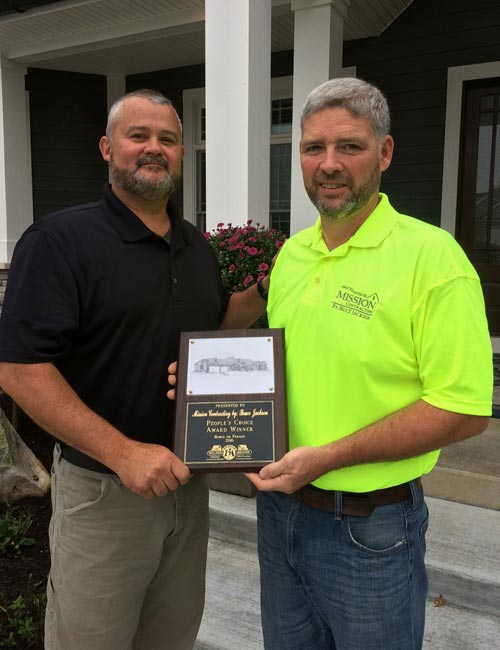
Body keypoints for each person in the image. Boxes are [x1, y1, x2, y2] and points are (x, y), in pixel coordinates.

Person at [0, 89, 267, 650]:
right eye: (138, 136)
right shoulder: (59, 241)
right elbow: (19, 368)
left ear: (182, 153)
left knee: (171, 637)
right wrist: (123, 453)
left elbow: (212, 335)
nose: (154, 148)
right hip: (104, 492)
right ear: (106, 147)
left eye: (168, 139)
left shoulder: (195, 247)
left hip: (189, 489)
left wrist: (266, 289)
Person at [243, 78, 492, 649]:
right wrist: (205, 386)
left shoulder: (433, 259)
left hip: (370, 532)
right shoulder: (292, 255)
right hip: (278, 514)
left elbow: (464, 409)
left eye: (349, 147)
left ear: (384, 152)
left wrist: (328, 457)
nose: (328, 165)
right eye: (313, 148)